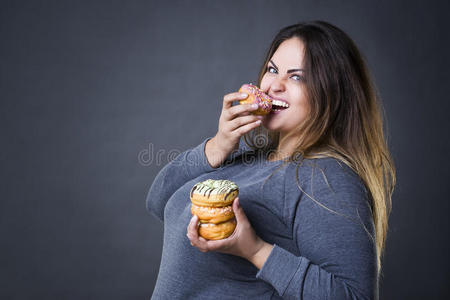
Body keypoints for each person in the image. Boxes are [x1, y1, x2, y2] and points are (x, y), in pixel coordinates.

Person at [146, 20, 395, 299]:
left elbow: (355, 296)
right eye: (272, 70)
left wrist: (255, 250)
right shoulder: (249, 158)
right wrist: (218, 145)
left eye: (297, 77)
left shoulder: (327, 177)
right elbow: (158, 201)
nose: (275, 84)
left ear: (332, 94)